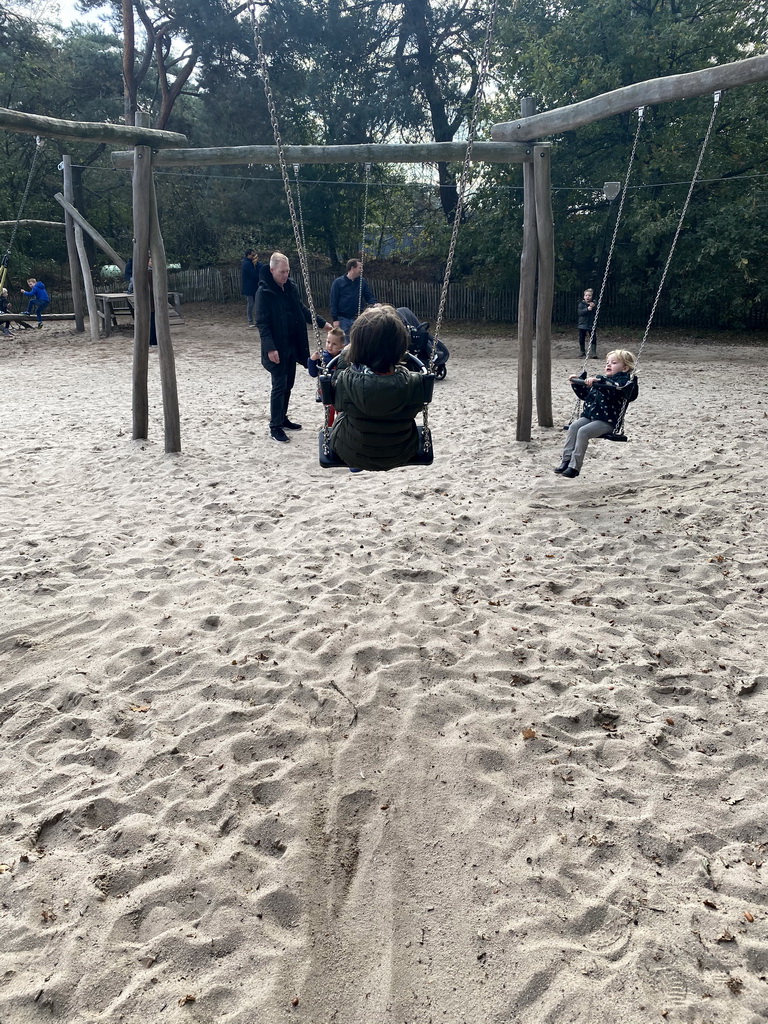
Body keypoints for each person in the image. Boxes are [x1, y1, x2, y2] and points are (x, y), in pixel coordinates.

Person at [329, 304, 432, 472]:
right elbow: (417, 404)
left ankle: (358, 460)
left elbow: (337, 402)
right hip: (401, 451)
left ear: (356, 347)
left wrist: (344, 356)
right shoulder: (414, 383)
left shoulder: (345, 380)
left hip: (351, 451)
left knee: (342, 417)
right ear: (401, 347)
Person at [256, 252, 332, 443]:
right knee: (279, 385)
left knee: (289, 384)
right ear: (272, 270)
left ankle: (283, 418)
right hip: (277, 347)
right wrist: (270, 348)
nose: (285, 275)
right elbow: (262, 324)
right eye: (282, 272)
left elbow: (302, 310)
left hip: (292, 344)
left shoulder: (291, 288)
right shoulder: (264, 293)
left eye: (288, 271)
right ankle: (275, 426)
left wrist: (322, 323)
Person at [555, 349, 638, 479]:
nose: (608, 365)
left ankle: (574, 467)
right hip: (591, 416)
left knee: (583, 432)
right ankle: (566, 460)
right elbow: (586, 396)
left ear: (625, 368)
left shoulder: (624, 384)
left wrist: (598, 383)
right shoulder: (601, 380)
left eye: (614, 362)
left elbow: (612, 389)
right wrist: (577, 383)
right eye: (607, 362)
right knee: (574, 427)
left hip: (607, 422)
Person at [308, 326, 347, 426]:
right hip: (326, 389)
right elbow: (312, 373)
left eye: (334, 344)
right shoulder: (322, 356)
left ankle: (339, 427)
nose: (330, 346)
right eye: (328, 342)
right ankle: (328, 428)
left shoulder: (344, 358)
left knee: (341, 410)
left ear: (342, 346)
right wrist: (312, 360)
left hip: (340, 389)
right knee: (329, 410)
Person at [330, 259, 377, 339]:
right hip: (343, 318)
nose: (362, 270)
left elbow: (368, 296)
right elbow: (333, 301)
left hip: (357, 317)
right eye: (360, 268)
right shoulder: (338, 283)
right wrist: (335, 319)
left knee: (358, 340)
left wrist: (375, 304)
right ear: (352, 268)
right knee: (344, 342)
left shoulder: (362, 282)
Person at [241, 249, 261, 328]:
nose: (253, 257)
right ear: (248, 255)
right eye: (252, 255)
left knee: (255, 304)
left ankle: (256, 320)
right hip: (249, 287)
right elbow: (254, 275)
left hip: (253, 287)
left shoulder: (251, 263)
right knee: (251, 304)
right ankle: (250, 321)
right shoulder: (246, 264)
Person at [577, 287, 597, 358]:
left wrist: (594, 306)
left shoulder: (594, 304)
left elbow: (597, 311)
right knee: (581, 338)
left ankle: (593, 353)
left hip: (591, 323)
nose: (587, 297)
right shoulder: (581, 304)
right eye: (586, 295)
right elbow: (580, 313)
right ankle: (582, 351)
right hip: (582, 324)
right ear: (584, 296)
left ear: (592, 296)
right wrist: (587, 309)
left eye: (589, 295)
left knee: (593, 337)